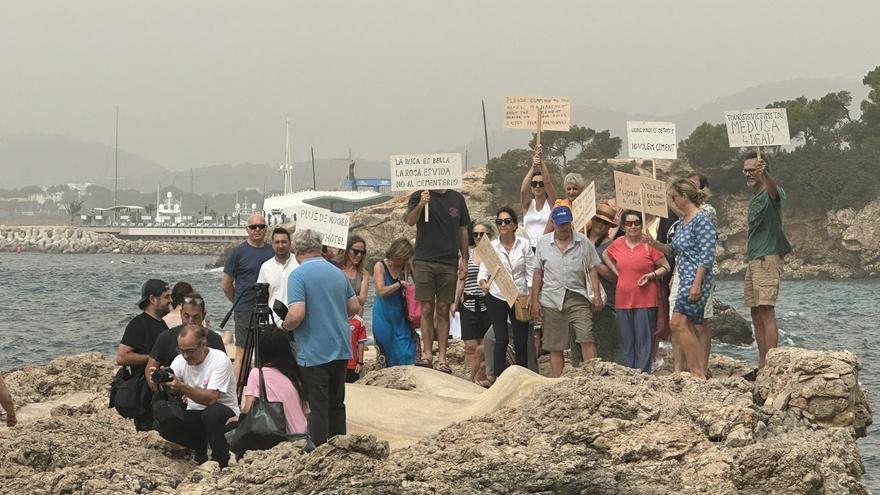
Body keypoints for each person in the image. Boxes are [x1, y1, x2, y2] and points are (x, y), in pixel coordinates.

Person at [282, 228, 361, 446]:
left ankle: (319, 450)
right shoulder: (338, 272)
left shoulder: (298, 275)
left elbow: (297, 314)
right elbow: (354, 306)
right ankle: (340, 447)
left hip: (314, 350)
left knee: (317, 406)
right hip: (341, 346)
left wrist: (284, 325)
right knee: (337, 404)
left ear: (296, 250)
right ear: (319, 248)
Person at [644, 179, 717, 379]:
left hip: (695, 279)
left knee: (679, 323)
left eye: (674, 197)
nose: (672, 201)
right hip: (683, 277)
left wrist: (697, 284)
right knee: (681, 324)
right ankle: (697, 371)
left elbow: (707, 254)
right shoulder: (684, 222)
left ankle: (697, 372)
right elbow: (672, 249)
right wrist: (653, 243)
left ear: (684, 197)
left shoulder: (701, 220)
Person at [531, 205, 604, 377]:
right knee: (555, 345)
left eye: (566, 223)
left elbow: (592, 269)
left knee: (586, 336)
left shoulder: (583, 242)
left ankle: (593, 378)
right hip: (551, 298)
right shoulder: (543, 243)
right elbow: (537, 273)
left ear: (571, 222)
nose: (564, 228)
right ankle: (558, 381)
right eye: (560, 224)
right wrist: (534, 301)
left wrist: (597, 295)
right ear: (553, 224)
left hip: (578, 296)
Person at [154, 324, 240, 468]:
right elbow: (172, 385)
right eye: (182, 351)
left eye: (190, 351)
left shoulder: (219, 360)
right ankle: (198, 450)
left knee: (211, 414)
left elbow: (211, 399)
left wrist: (182, 387)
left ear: (203, 345)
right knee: (164, 413)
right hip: (195, 412)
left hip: (224, 412)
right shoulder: (180, 360)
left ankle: (220, 460)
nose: (186, 356)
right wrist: (164, 382)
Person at [405, 188, 471, 373]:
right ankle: (427, 354)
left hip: (448, 260)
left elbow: (463, 229)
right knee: (426, 307)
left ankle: (442, 358)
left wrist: (464, 258)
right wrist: (421, 204)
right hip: (424, 259)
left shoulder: (457, 198)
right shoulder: (419, 194)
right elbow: (410, 221)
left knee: (443, 308)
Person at [741, 152, 791, 376]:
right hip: (754, 260)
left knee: (767, 311)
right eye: (746, 170)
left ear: (763, 169)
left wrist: (765, 174)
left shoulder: (773, 193)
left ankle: (771, 367)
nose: (747, 173)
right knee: (755, 312)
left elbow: (773, 190)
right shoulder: (755, 198)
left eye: (752, 169)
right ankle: (762, 364)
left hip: (766, 259)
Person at [603, 210, 671, 373]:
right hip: (622, 298)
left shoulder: (649, 244)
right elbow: (605, 255)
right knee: (626, 339)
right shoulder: (617, 243)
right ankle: (629, 371)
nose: (633, 226)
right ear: (623, 226)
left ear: (642, 224)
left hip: (646, 299)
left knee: (644, 339)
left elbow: (666, 267)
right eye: (629, 223)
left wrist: (651, 275)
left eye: (636, 223)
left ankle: (642, 372)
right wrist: (616, 272)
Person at [478, 207, 534, 377]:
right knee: (500, 337)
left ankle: (523, 376)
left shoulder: (524, 245)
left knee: (521, 338)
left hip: (519, 296)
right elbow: (483, 272)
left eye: (507, 221)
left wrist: (531, 295)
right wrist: (483, 283)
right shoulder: (491, 247)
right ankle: (497, 377)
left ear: (515, 225)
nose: (503, 225)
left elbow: (530, 272)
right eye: (499, 222)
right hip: (497, 294)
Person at [222, 214, 274, 382]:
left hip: (268, 311)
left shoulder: (272, 251)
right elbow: (227, 285)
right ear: (247, 230)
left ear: (266, 229)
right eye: (253, 227)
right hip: (244, 310)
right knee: (242, 353)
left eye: (261, 226)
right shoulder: (238, 252)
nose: (257, 229)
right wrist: (239, 303)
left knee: (266, 354)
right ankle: (235, 395)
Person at [116, 278, 171, 430]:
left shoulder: (161, 323)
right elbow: (122, 357)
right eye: (166, 297)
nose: (171, 300)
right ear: (153, 299)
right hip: (144, 393)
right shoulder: (139, 323)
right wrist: (153, 358)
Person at [146, 293, 227, 391]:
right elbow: (150, 368)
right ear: (180, 313)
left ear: (203, 315)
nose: (190, 321)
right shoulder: (166, 337)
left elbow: (223, 373)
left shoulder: (214, 340)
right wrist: (158, 392)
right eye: (186, 316)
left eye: (196, 317)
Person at [238, 327, 309, 435]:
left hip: (280, 436)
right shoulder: (295, 373)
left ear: (261, 351)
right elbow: (305, 412)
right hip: (303, 435)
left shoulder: (257, 373)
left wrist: (236, 419)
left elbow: (248, 411)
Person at [576, 203, 621, 365]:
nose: (601, 225)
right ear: (592, 220)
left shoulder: (611, 246)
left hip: (605, 301)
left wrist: (592, 261)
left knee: (604, 343)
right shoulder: (579, 240)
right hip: (580, 299)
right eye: (598, 220)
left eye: (606, 223)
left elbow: (614, 276)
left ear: (610, 226)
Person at [453, 220, 495, 384]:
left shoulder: (494, 254)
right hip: (469, 304)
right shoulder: (466, 255)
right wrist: (454, 303)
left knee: (485, 346)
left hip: (488, 304)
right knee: (470, 347)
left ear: (489, 236)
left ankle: (482, 377)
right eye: (475, 234)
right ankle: (470, 380)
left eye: (482, 234)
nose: (478, 237)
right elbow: (461, 280)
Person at [688, 171, 718, 375]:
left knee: (701, 321)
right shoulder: (684, 212)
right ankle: (692, 365)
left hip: (703, 270)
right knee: (685, 321)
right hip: (685, 269)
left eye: (692, 183)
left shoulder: (706, 210)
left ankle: (703, 367)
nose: (688, 186)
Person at [371, 238, 417, 367]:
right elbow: (381, 291)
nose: (403, 261)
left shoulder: (405, 266)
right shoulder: (380, 266)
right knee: (387, 352)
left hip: (401, 316)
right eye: (403, 258)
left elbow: (418, 284)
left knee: (407, 351)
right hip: (383, 316)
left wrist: (410, 264)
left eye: (406, 258)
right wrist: (399, 284)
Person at [256, 227, 299, 326]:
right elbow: (261, 296)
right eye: (277, 242)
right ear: (272, 244)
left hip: (297, 322)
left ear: (290, 243)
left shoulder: (299, 263)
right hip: (273, 323)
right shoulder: (266, 267)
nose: (280, 245)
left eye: (284, 242)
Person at [520, 144, 557, 250]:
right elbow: (523, 190)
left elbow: (548, 181)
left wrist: (541, 162)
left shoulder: (551, 203)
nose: (537, 186)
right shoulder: (527, 204)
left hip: (547, 247)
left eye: (541, 184)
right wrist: (533, 166)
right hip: (528, 249)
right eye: (534, 183)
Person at [341, 235, 370, 313]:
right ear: (347, 251)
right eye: (356, 251)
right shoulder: (337, 269)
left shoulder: (364, 274)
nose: (359, 255)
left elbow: (362, 300)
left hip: (354, 320)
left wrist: (341, 296)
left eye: (362, 252)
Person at [346, 315, 367, 383]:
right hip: (336, 362)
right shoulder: (336, 317)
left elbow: (361, 342)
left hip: (352, 364)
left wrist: (360, 362)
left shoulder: (359, 321)